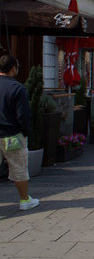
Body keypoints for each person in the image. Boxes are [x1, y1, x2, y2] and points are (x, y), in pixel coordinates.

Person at [0, 55, 39, 210]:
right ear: (13, 69)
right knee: (18, 167)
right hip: (12, 134)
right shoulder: (17, 88)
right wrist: (25, 132)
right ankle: (24, 199)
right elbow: (23, 115)